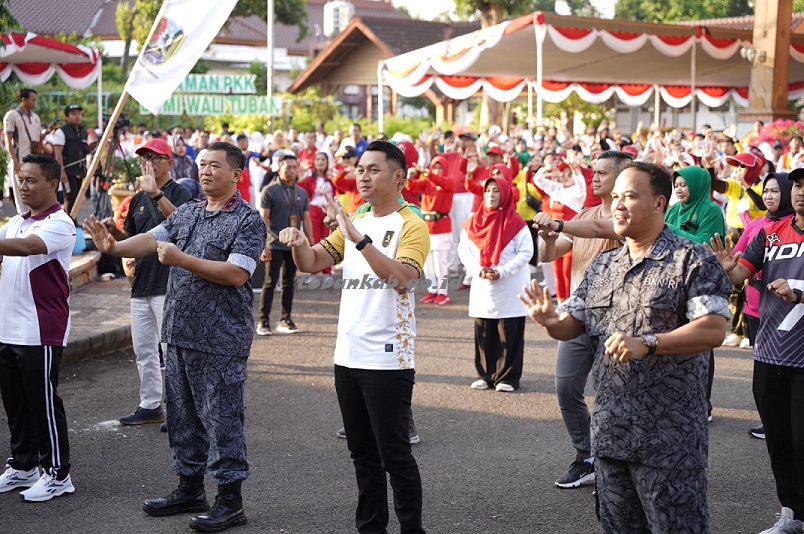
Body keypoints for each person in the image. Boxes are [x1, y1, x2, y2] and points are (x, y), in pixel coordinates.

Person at [521, 162, 731, 533]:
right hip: (610, 434)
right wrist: (551, 322)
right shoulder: (603, 266)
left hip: (669, 440)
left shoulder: (692, 261)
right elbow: (573, 323)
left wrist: (648, 343)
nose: (617, 204)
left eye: (630, 196)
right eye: (615, 196)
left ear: (659, 203)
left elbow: (713, 329)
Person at [83, 142, 266, 532]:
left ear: (236, 174)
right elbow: (152, 239)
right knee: (183, 417)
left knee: (222, 420)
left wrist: (182, 259)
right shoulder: (189, 212)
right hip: (179, 334)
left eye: (215, 166)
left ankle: (230, 501)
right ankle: (189, 488)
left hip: (220, 340)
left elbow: (237, 273)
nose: (205, 171)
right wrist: (113, 246)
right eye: (201, 165)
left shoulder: (248, 220)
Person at [280, 141, 428, 533]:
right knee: (362, 455)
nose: (362, 175)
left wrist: (359, 238)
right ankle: (371, 528)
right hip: (347, 356)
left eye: (373, 169)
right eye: (360, 169)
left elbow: (401, 279)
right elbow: (313, 262)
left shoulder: (412, 223)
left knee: (394, 455)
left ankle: (413, 528)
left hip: (387, 358)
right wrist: (297, 245)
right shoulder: (357, 217)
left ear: (398, 176)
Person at [708, 167, 804, 534]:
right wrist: (726, 269)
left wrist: (798, 296)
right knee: (779, 442)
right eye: (796, 185)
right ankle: (792, 515)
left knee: (801, 441)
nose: (800, 193)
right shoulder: (768, 233)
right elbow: (738, 275)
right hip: (769, 354)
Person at [532, 150, 632, 488]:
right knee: (565, 387)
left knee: (611, 394)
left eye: (603, 172)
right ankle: (586, 457)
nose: (595, 176)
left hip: (615, 319)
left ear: (622, 177)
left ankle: (619, 461)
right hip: (577, 313)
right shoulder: (585, 212)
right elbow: (551, 252)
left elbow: (596, 228)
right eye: (595, 171)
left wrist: (559, 223)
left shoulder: (625, 215)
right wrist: (547, 238)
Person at [0, 154, 76, 502]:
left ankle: (58, 474)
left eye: (31, 180)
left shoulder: (60, 223)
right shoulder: (15, 221)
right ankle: (24, 465)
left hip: (40, 330)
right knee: (15, 403)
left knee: (42, 403)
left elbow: (30, 248)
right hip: (7, 328)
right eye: (20, 179)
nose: (23, 185)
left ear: (53, 184)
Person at [100, 138, 192, 426]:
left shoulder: (181, 192)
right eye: (144, 158)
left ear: (169, 162)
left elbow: (185, 228)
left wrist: (156, 195)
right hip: (141, 283)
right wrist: (113, 233)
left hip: (170, 283)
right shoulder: (137, 198)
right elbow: (133, 241)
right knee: (144, 350)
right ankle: (150, 405)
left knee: (172, 350)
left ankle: (179, 409)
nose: (149, 163)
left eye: (155, 158)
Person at [730, 172, 795, 441]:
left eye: (775, 191)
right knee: (769, 379)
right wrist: (729, 267)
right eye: (765, 191)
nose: (769, 196)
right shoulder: (762, 227)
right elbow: (739, 265)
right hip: (763, 319)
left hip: (795, 329)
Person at [458, 175, 531, 392]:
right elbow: (464, 250)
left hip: (510, 285)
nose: (491, 195)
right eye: (488, 190)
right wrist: (478, 270)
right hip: (483, 283)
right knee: (484, 329)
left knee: (509, 331)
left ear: (506, 194)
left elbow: (526, 252)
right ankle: (485, 374)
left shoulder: (516, 222)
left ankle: (507, 377)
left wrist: (502, 271)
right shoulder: (473, 221)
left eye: (496, 191)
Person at [257, 153, 313, 336]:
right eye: (287, 167)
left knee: (289, 282)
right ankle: (263, 321)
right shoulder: (270, 191)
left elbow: (307, 220)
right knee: (270, 282)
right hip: (274, 242)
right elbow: (263, 220)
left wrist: (310, 245)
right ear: (278, 169)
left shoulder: (302, 192)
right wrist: (263, 245)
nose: (291, 170)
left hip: (294, 245)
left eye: (294, 167)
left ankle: (285, 319)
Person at [406, 155, 454, 305]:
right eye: (435, 167)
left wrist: (427, 172)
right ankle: (432, 290)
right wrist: (410, 176)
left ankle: (443, 292)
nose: (437, 170)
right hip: (426, 226)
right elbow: (411, 187)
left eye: (440, 167)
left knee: (441, 263)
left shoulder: (448, 182)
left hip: (441, 227)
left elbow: (439, 181)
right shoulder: (428, 182)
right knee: (427, 262)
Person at [3, 88, 47, 208]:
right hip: (20, 161)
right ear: (23, 99)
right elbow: (8, 140)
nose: (35, 103)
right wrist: (14, 161)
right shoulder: (12, 115)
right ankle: (23, 222)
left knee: (33, 195)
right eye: (33, 100)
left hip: (33, 161)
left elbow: (37, 140)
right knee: (22, 196)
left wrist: (47, 132)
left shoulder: (35, 118)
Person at [51, 104, 94, 213]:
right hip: (68, 171)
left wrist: (95, 145)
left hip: (80, 170)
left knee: (78, 197)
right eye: (73, 114)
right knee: (70, 197)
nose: (77, 116)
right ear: (67, 116)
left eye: (79, 114)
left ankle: (72, 219)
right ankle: (69, 221)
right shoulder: (61, 131)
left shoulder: (83, 131)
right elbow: (58, 153)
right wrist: (61, 171)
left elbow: (85, 150)